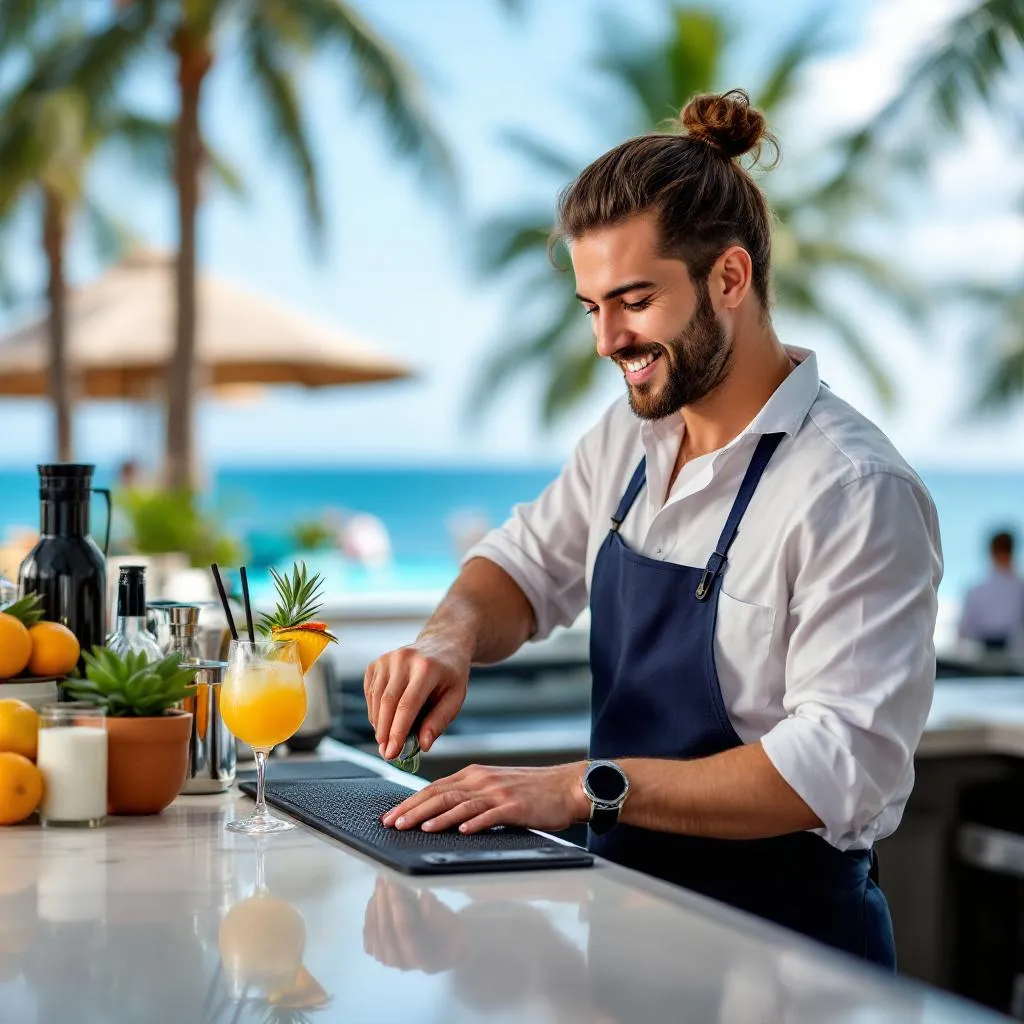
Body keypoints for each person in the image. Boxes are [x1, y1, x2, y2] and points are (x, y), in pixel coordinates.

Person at [363, 89, 943, 970]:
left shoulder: (854, 489)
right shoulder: (629, 439)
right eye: (592, 307)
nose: (607, 341)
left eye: (634, 300)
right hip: (625, 932)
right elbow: (523, 566)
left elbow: (834, 764)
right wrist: (448, 638)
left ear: (730, 278)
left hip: (787, 963)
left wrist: (576, 789)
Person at [958, 530, 1024, 654]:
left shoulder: (975, 591)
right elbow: (964, 633)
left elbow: (963, 632)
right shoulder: (975, 591)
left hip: (1015, 657)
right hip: (983, 657)